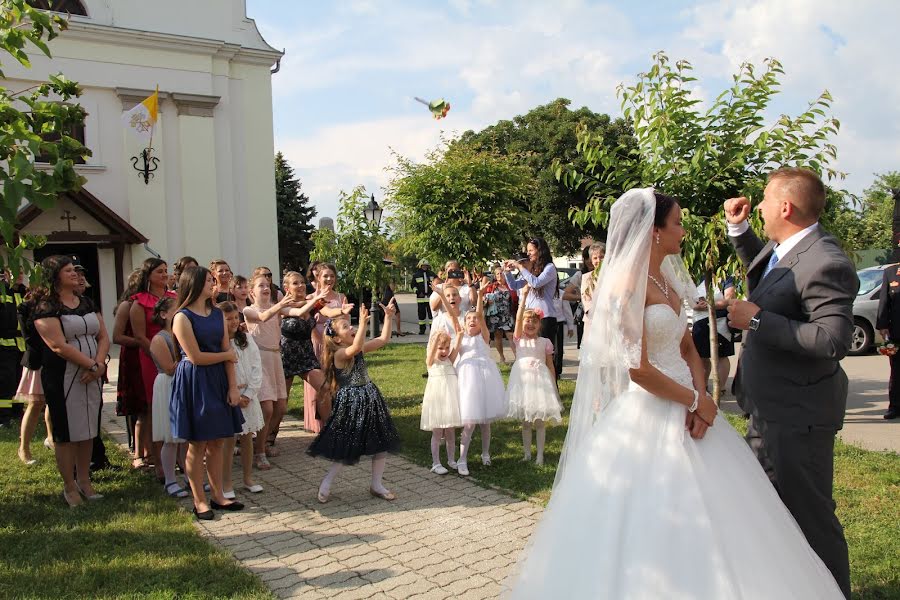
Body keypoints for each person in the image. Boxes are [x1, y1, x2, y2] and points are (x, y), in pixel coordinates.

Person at [506, 188, 845, 599]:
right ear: (654, 232)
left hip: (692, 410)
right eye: (678, 223)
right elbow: (639, 369)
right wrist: (694, 401)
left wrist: (702, 396)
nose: (684, 231)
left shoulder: (665, 278)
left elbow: (687, 346)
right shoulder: (625, 287)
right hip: (649, 412)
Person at [725, 168, 857, 597]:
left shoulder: (827, 261)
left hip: (798, 415)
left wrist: (757, 318)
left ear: (785, 207)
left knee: (810, 516)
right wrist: (739, 228)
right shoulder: (784, 249)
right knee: (772, 514)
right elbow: (773, 282)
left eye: (763, 200)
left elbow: (832, 338)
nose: (758, 205)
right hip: (768, 408)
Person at [33, 255, 110, 507]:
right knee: (67, 432)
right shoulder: (46, 307)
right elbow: (58, 345)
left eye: (75, 270)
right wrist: (91, 365)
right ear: (55, 276)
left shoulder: (86, 301)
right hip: (64, 375)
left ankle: (85, 480)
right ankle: (69, 486)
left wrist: (99, 365)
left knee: (88, 428)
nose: (75, 274)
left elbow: (103, 336)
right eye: (68, 271)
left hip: (92, 374)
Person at [307, 302, 402, 503]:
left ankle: (377, 484)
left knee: (381, 441)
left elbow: (383, 339)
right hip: (351, 403)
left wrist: (388, 318)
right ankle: (327, 482)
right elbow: (357, 346)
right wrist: (363, 322)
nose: (351, 328)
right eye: (346, 327)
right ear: (336, 338)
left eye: (351, 326)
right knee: (347, 445)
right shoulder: (340, 354)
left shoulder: (355, 349)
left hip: (370, 398)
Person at [170, 266, 244, 520]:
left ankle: (218, 495)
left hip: (218, 379)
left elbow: (227, 349)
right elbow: (195, 357)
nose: (214, 283)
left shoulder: (215, 313)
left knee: (217, 441)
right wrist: (226, 356)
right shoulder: (182, 317)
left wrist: (233, 387)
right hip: (195, 380)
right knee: (198, 443)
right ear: (195, 283)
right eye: (209, 280)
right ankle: (199, 501)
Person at [242, 273, 297, 468]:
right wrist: (281, 306)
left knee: (281, 408)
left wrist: (316, 298)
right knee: (267, 408)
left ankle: (262, 442)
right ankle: (258, 452)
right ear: (251, 292)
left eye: (268, 285)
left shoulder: (277, 308)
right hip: (259, 361)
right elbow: (264, 317)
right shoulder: (248, 310)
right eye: (261, 285)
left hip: (275, 359)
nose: (266, 288)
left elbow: (298, 311)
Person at [130, 258, 176, 476]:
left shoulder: (174, 298)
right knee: (155, 409)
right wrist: (159, 354)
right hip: (151, 356)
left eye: (166, 271)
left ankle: (177, 458)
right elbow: (139, 335)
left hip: (175, 351)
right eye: (159, 271)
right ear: (148, 275)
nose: (164, 275)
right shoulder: (139, 302)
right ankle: (157, 461)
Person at [453, 286, 506, 476]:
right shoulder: (461, 337)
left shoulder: (484, 337)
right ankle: (462, 458)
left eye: (475, 318)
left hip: (485, 378)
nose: (473, 321)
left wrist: (481, 296)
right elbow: (453, 316)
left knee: (485, 422)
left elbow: (481, 315)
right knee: (469, 422)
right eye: (469, 319)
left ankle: (485, 453)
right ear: (464, 323)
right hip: (468, 381)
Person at [506, 286, 562, 465]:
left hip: (540, 382)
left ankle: (540, 455)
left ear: (539, 325)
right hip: (523, 382)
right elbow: (518, 316)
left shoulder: (545, 342)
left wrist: (553, 385)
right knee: (526, 422)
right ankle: (527, 454)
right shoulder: (518, 340)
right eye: (527, 322)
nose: (530, 324)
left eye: (534, 322)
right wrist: (523, 298)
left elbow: (550, 365)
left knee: (539, 421)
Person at [218, 301, 265, 497]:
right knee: (229, 441)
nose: (234, 322)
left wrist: (248, 394)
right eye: (228, 319)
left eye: (236, 317)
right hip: (229, 397)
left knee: (248, 439)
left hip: (248, 396)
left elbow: (256, 366)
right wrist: (234, 393)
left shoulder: (246, 338)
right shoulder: (219, 343)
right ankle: (226, 483)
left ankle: (248, 478)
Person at [304, 263, 352, 433]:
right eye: (325, 276)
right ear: (318, 277)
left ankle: (340, 421)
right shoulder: (311, 298)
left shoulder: (341, 297)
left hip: (338, 346)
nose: (329, 279)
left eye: (332, 275)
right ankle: (323, 425)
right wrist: (317, 342)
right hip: (319, 345)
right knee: (322, 385)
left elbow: (346, 322)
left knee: (339, 383)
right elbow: (308, 323)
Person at [148, 296, 188, 498]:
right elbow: (169, 368)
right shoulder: (159, 339)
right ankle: (170, 480)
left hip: (185, 384)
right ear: (163, 314)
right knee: (171, 438)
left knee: (186, 438)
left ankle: (190, 477)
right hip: (168, 385)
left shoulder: (183, 333)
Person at [502, 238, 561, 375]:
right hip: (529, 317)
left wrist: (520, 267)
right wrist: (507, 272)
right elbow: (514, 286)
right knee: (532, 356)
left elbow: (535, 283)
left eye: (530, 250)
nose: (528, 254)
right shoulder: (533, 271)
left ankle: (552, 388)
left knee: (546, 359)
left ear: (540, 251)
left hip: (545, 318)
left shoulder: (549, 268)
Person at [112, 270, 145, 459]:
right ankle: (137, 449)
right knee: (136, 405)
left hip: (150, 353)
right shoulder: (128, 305)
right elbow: (117, 336)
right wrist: (142, 341)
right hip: (133, 357)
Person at [282, 272, 328, 407]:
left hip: (306, 356)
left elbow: (329, 312)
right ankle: (273, 428)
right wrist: (313, 301)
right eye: (295, 283)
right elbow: (299, 310)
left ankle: (328, 426)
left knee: (325, 388)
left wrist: (342, 311)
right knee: (281, 405)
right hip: (286, 357)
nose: (301, 285)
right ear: (287, 288)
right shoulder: (282, 305)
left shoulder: (312, 304)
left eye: (302, 282)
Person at [420, 329, 463, 475]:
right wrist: (436, 338)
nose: (444, 351)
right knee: (437, 432)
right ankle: (436, 462)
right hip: (437, 402)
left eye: (446, 348)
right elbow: (431, 353)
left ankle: (451, 459)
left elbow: (456, 347)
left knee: (451, 432)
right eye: (440, 348)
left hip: (450, 401)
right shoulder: (431, 362)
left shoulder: (450, 360)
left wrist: (460, 335)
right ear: (433, 348)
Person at [691, 275, 737, 394]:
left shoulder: (725, 276)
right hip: (699, 322)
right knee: (701, 356)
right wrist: (695, 306)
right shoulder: (694, 273)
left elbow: (730, 298)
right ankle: (703, 386)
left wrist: (709, 305)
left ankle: (720, 389)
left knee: (721, 356)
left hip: (719, 322)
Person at [876, 264, 900, 419]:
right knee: (897, 372)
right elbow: (884, 301)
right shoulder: (891, 272)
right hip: (897, 333)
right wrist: (883, 325)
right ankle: (895, 407)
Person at [484, 267, 516, 363]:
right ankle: (502, 357)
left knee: (511, 336)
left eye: (501, 273)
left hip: (507, 314)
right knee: (498, 336)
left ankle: (517, 357)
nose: (499, 276)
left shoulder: (511, 286)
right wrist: (487, 301)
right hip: (495, 315)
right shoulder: (492, 287)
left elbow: (515, 299)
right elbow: (484, 297)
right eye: (497, 274)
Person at [578, 242, 605, 348]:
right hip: (593, 322)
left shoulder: (614, 276)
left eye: (602, 257)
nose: (598, 260)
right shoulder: (586, 278)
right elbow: (587, 302)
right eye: (595, 258)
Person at [413, 259, 437, 334]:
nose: (425, 267)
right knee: (421, 315)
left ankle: (432, 329)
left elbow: (437, 282)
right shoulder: (416, 275)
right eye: (423, 266)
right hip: (421, 298)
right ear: (420, 266)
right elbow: (413, 286)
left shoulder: (432, 274)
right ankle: (422, 330)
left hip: (430, 297)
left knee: (431, 315)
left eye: (426, 266)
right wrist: (417, 292)